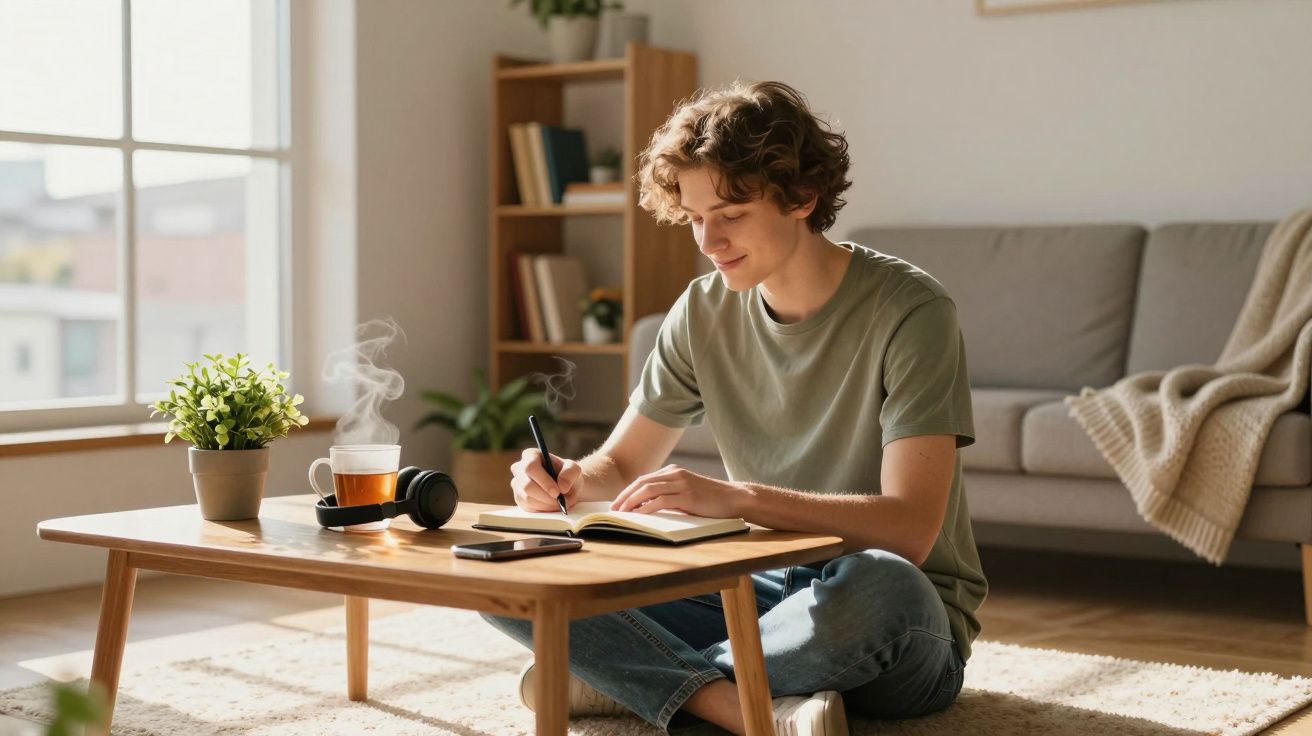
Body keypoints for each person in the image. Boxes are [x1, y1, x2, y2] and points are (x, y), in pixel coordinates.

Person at [482, 80, 986, 736]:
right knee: (511, 568)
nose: (708, 240)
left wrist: (736, 498)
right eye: (694, 217)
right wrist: (571, 479)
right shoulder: (701, 311)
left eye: (731, 213)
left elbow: (912, 529)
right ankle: (728, 705)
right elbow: (621, 463)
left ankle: (632, 679)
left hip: (897, 620)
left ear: (801, 197)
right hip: (750, 592)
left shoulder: (912, 311)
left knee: (878, 588)